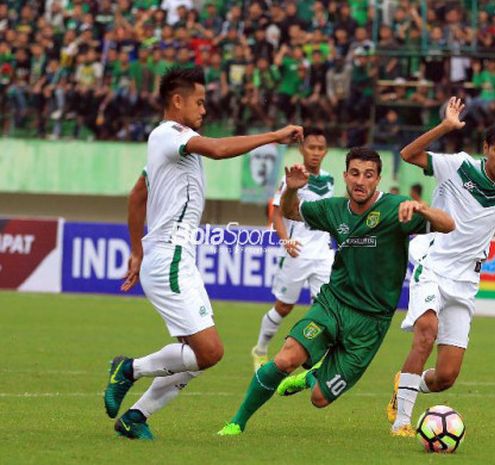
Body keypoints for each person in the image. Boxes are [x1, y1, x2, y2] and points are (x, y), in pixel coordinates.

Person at [103, 66, 303, 440]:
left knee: (194, 356)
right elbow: (216, 149)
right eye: (199, 101)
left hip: (176, 257)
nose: (204, 109)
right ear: (177, 101)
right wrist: (275, 136)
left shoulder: (169, 144)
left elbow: (136, 196)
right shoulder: (168, 135)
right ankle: (128, 369)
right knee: (209, 351)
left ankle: (135, 417)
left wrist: (135, 252)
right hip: (170, 258)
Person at [216, 147, 455, 437]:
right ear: (345, 175)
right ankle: (236, 423)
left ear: (378, 179)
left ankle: (314, 376)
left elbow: (448, 224)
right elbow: (291, 210)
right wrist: (291, 190)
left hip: (371, 323)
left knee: (319, 398)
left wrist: (422, 208)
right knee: (285, 359)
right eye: (354, 173)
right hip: (333, 304)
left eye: (368, 175)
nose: (360, 181)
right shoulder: (333, 209)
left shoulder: (397, 207)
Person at [387, 97, 495, 436]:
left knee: (445, 378)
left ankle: (406, 385)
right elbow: (408, 155)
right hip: (433, 263)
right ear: (486, 147)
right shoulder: (458, 165)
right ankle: (402, 422)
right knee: (426, 332)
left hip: (466, 281)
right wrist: (445, 126)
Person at [251, 127, 335, 371]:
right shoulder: (290, 180)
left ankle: (315, 358)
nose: (316, 153)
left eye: (320, 148)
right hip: (296, 252)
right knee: (284, 308)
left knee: (326, 308)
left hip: (323, 255)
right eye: (311, 147)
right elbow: (276, 214)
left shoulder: (329, 180)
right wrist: (286, 240)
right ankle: (260, 350)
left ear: (326, 151)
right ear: (302, 149)